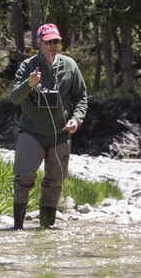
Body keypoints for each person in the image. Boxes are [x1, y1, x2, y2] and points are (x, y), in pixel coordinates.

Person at [9, 23, 88, 230]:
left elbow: (81, 96)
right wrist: (29, 83)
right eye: (48, 42)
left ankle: (46, 229)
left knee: (55, 182)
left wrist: (77, 119)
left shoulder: (70, 66)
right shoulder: (28, 66)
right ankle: (17, 227)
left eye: (56, 42)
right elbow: (15, 97)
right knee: (24, 177)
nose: (53, 45)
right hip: (31, 132)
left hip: (60, 135)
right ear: (39, 43)